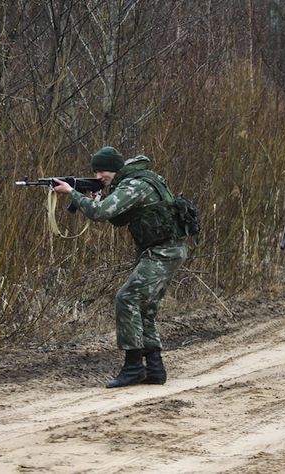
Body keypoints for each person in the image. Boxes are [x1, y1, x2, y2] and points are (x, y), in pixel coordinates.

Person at [52, 146, 188, 388]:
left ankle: (134, 367)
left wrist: (73, 193)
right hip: (165, 250)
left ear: (115, 169)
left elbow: (102, 213)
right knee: (144, 307)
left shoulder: (134, 184)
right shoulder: (139, 180)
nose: (98, 177)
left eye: (101, 171)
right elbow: (119, 217)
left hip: (162, 252)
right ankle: (155, 369)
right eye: (95, 173)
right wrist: (95, 197)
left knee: (126, 299)